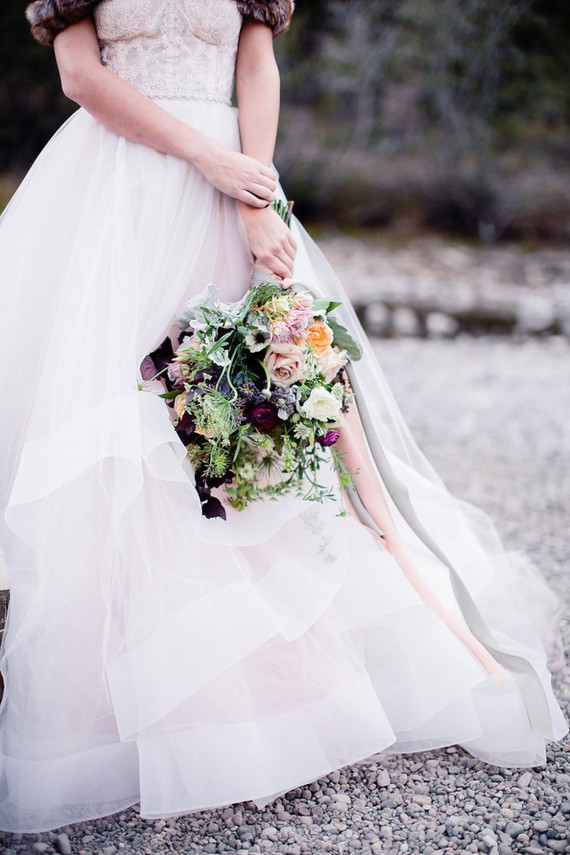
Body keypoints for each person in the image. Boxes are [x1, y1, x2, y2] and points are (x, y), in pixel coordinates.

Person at [0, 0, 566, 835]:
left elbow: (256, 64)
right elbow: (81, 75)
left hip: (228, 189)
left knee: (255, 406)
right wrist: (206, 157)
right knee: (116, 419)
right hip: (115, 190)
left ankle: (284, 677)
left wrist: (252, 192)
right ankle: (116, 689)